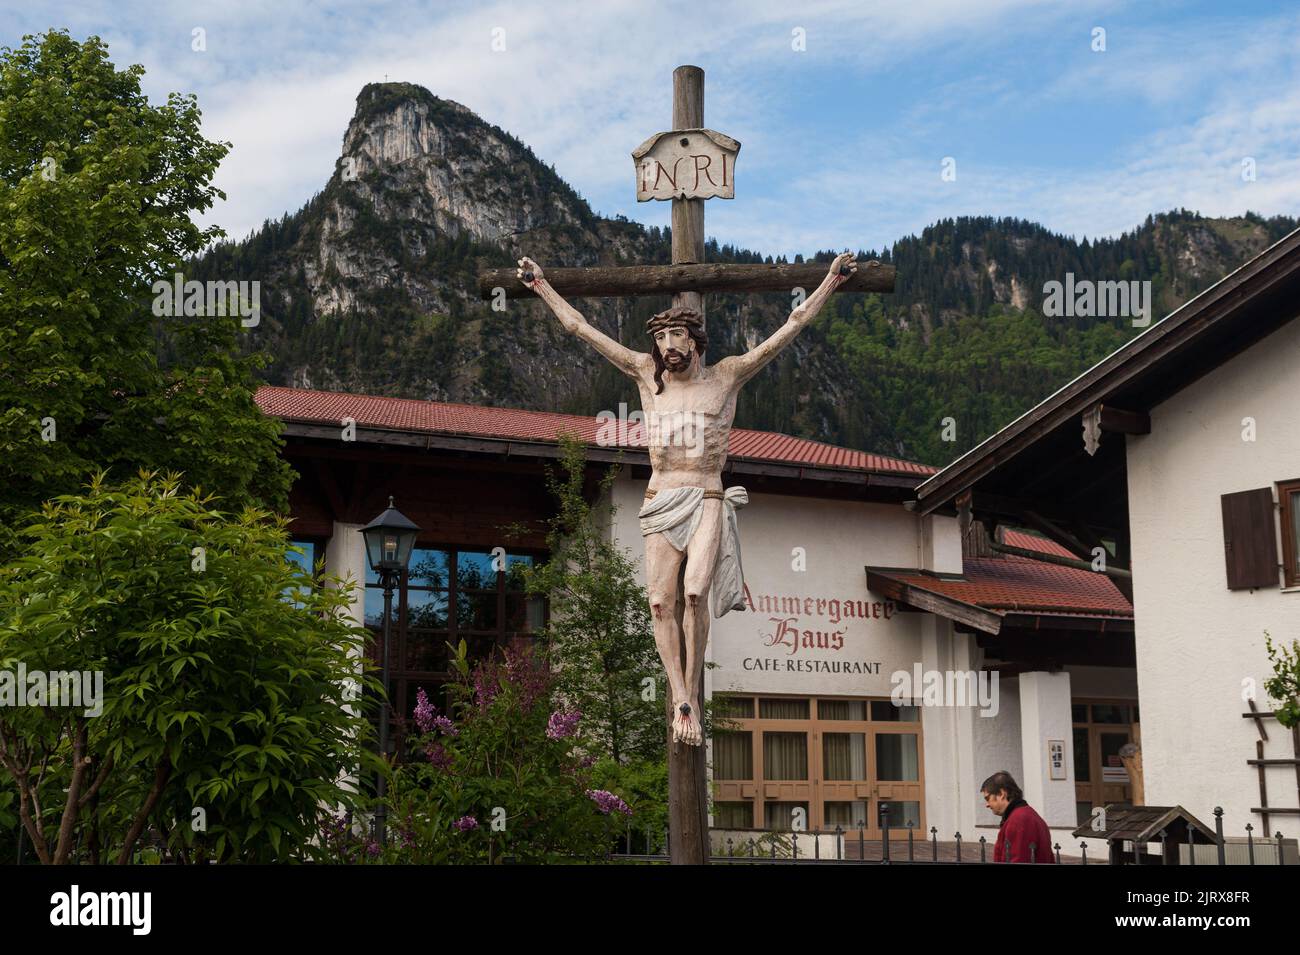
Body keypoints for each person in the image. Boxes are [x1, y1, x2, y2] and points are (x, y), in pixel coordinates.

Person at [982, 771, 1057, 863]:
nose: (987, 805)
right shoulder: (1025, 814)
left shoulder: (1019, 819)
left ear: (1001, 794)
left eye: (987, 798)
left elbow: (1018, 860)